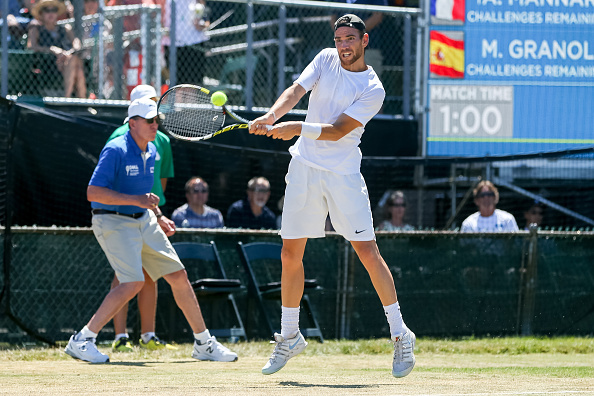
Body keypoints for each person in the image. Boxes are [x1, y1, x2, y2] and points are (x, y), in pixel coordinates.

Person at [249, 14, 415, 378]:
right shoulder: (324, 58)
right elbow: (296, 90)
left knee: (368, 253)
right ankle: (290, 335)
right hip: (305, 168)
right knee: (290, 252)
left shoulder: (374, 88)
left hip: (342, 176)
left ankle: (401, 334)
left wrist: (294, 127)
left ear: (364, 40)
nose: (343, 44)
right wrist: (273, 115)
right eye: (339, 38)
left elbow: (339, 130)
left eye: (350, 38)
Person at [64, 97, 237, 363]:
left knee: (178, 275)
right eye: (149, 120)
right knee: (133, 282)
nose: (155, 125)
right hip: (111, 220)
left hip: (144, 219)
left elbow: (146, 195)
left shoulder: (153, 150)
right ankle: (83, 339)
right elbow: (93, 192)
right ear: (132, 124)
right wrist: (138, 202)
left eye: (156, 120)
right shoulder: (116, 149)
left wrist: (159, 215)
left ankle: (204, 343)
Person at [106, 84, 176, 352]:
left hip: (150, 216)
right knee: (124, 273)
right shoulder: (118, 138)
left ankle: (148, 336)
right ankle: (120, 337)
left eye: (155, 104)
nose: (152, 112)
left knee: (150, 274)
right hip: (122, 217)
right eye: (146, 104)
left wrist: (155, 212)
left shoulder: (163, 141)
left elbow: (161, 182)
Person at [27, 0, 87, 98]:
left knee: (74, 60)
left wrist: (71, 51)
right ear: (41, 13)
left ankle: (70, 98)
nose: (51, 13)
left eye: (54, 10)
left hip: (66, 61)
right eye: (47, 10)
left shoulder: (65, 28)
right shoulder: (36, 29)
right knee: (76, 64)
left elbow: (76, 42)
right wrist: (52, 50)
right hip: (48, 65)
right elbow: (31, 47)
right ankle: (80, 99)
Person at [162, 0, 210, 85]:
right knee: (177, 85)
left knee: (195, 83)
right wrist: (162, 26)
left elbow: (202, 5)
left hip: (195, 41)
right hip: (172, 43)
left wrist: (202, 19)